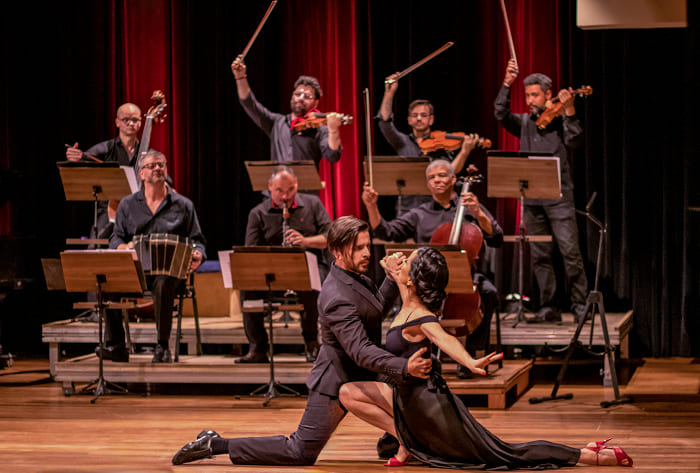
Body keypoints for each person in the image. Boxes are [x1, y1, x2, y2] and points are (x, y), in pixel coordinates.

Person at [339, 246, 633, 469]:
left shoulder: (421, 316)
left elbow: (445, 338)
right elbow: (391, 269)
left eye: (408, 261)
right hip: (405, 400)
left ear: (412, 282)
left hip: (428, 407)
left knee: (505, 453)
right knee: (348, 392)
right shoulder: (407, 297)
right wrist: (390, 266)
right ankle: (405, 440)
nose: (401, 260)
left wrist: (469, 361)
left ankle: (587, 455)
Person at [171, 216, 432, 466]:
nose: (367, 253)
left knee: (408, 397)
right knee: (299, 452)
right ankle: (215, 444)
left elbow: (373, 312)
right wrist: (403, 366)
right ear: (338, 251)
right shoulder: (336, 295)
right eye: (359, 248)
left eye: (367, 246)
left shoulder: (356, 277)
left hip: (361, 372)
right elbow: (360, 350)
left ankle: (396, 440)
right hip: (336, 378)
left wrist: (389, 279)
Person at [363, 159, 503, 378]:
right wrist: (372, 206)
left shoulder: (470, 205)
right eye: (432, 177)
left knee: (489, 293)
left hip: (465, 276)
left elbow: (497, 237)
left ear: (453, 179)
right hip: (425, 281)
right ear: (427, 184)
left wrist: (479, 214)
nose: (437, 180)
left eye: (442, 175)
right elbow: (386, 232)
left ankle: (472, 352)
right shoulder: (419, 213)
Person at [494, 58, 589, 323]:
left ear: (548, 94)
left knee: (570, 252)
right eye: (527, 96)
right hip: (531, 200)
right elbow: (500, 113)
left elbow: (575, 141)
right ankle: (549, 307)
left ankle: (580, 306)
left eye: (534, 95)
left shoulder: (559, 120)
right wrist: (507, 83)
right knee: (540, 255)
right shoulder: (524, 122)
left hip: (559, 198)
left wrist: (569, 110)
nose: (529, 100)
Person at [106, 150, 206, 363]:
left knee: (162, 284)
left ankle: (162, 347)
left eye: (161, 165)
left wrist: (198, 252)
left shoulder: (183, 205)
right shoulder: (127, 205)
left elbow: (197, 240)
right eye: (152, 166)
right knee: (108, 284)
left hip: (170, 274)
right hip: (137, 271)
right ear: (141, 173)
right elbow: (115, 238)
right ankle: (116, 346)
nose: (158, 168)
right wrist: (123, 248)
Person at [236, 165, 332, 364]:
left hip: (308, 266)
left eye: (290, 190)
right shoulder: (258, 213)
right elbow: (251, 250)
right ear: (270, 186)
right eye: (279, 191)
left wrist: (305, 242)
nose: (285, 196)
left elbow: (331, 237)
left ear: (296, 186)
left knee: (313, 284)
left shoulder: (313, 204)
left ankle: (312, 343)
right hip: (272, 270)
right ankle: (258, 347)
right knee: (247, 289)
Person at [377, 72, 482, 215]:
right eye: (415, 115)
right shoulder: (402, 142)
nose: (419, 118)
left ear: (431, 120)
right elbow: (384, 123)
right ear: (409, 120)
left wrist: (465, 151)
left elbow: (451, 170)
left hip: (434, 209)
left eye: (423, 115)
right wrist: (389, 93)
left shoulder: (441, 145)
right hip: (407, 209)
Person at [231, 55, 342, 167]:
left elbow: (332, 156)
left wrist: (333, 131)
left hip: (307, 184)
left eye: (307, 97)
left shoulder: (320, 128)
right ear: (291, 97)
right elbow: (250, 104)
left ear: (316, 103)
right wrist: (240, 78)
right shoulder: (276, 122)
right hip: (278, 183)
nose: (301, 98)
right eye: (298, 94)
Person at [66, 103, 142, 238]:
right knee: (96, 247)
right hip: (109, 210)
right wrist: (76, 157)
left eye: (135, 120)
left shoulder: (146, 153)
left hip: (139, 211)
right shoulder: (107, 148)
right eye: (126, 120)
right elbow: (85, 157)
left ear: (141, 123)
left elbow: (164, 179)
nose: (131, 123)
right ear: (117, 122)